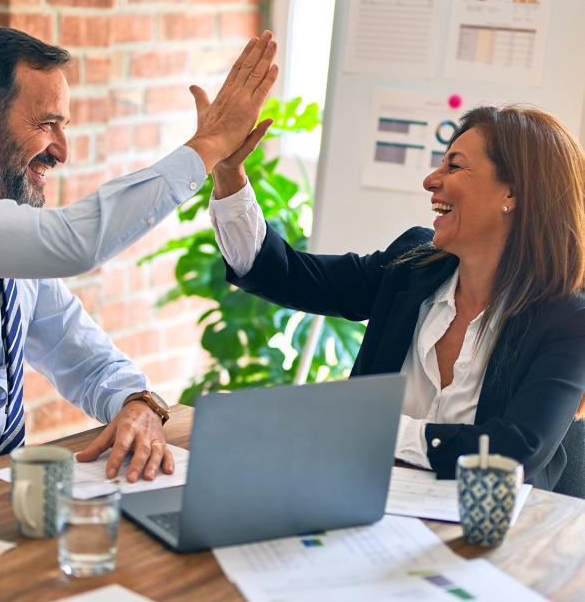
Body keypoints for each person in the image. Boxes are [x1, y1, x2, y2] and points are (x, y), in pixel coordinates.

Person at [0, 26, 278, 494]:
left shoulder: (12, 245)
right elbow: (72, 243)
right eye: (46, 124)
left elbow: (84, 358)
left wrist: (137, 402)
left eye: (64, 127)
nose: (62, 149)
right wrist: (207, 147)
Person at [209, 104, 585, 490]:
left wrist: (379, 431)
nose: (430, 180)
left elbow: (515, 451)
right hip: (366, 507)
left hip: (490, 534)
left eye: (454, 167)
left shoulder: (568, 321)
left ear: (513, 192)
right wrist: (227, 172)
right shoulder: (412, 265)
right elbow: (285, 274)